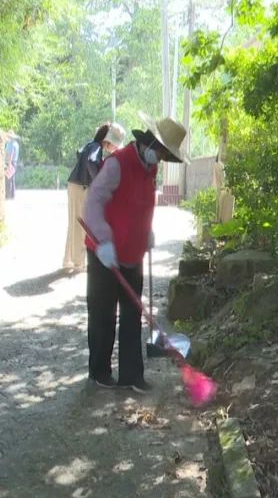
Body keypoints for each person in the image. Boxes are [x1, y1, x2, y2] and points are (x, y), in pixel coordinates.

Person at [82, 115, 189, 392]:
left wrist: (146, 232)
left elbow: (140, 205)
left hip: (133, 252)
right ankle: (99, 372)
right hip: (104, 253)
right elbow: (92, 202)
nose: (162, 158)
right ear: (149, 143)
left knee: (132, 313)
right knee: (103, 314)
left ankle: (132, 376)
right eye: (162, 152)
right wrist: (103, 240)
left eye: (166, 155)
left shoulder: (150, 168)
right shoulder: (117, 164)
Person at [63, 122, 125, 272]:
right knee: (82, 225)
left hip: (75, 185)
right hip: (81, 187)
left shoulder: (92, 145)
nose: (114, 148)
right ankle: (78, 263)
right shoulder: (96, 148)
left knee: (75, 224)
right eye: (114, 144)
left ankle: (69, 260)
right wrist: (98, 183)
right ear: (108, 140)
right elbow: (91, 162)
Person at [4, 131, 20, 200]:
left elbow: (10, 154)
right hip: (14, 163)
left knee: (8, 179)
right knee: (12, 179)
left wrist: (9, 164)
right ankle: (12, 195)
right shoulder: (16, 144)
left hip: (10, 163)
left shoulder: (10, 144)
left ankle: (8, 195)